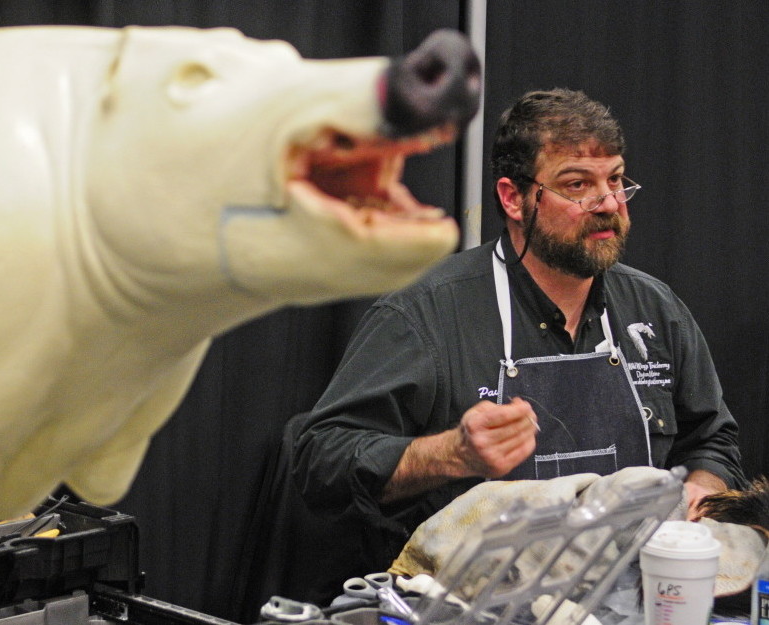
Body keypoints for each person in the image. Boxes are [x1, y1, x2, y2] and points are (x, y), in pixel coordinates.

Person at [291, 88, 746, 574]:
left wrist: (701, 494)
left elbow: (712, 441)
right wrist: (452, 453)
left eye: (615, 180)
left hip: (624, 595)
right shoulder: (427, 314)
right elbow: (322, 460)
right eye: (577, 185)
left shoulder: (655, 310)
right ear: (513, 198)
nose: (608, 203)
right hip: (466, 599)